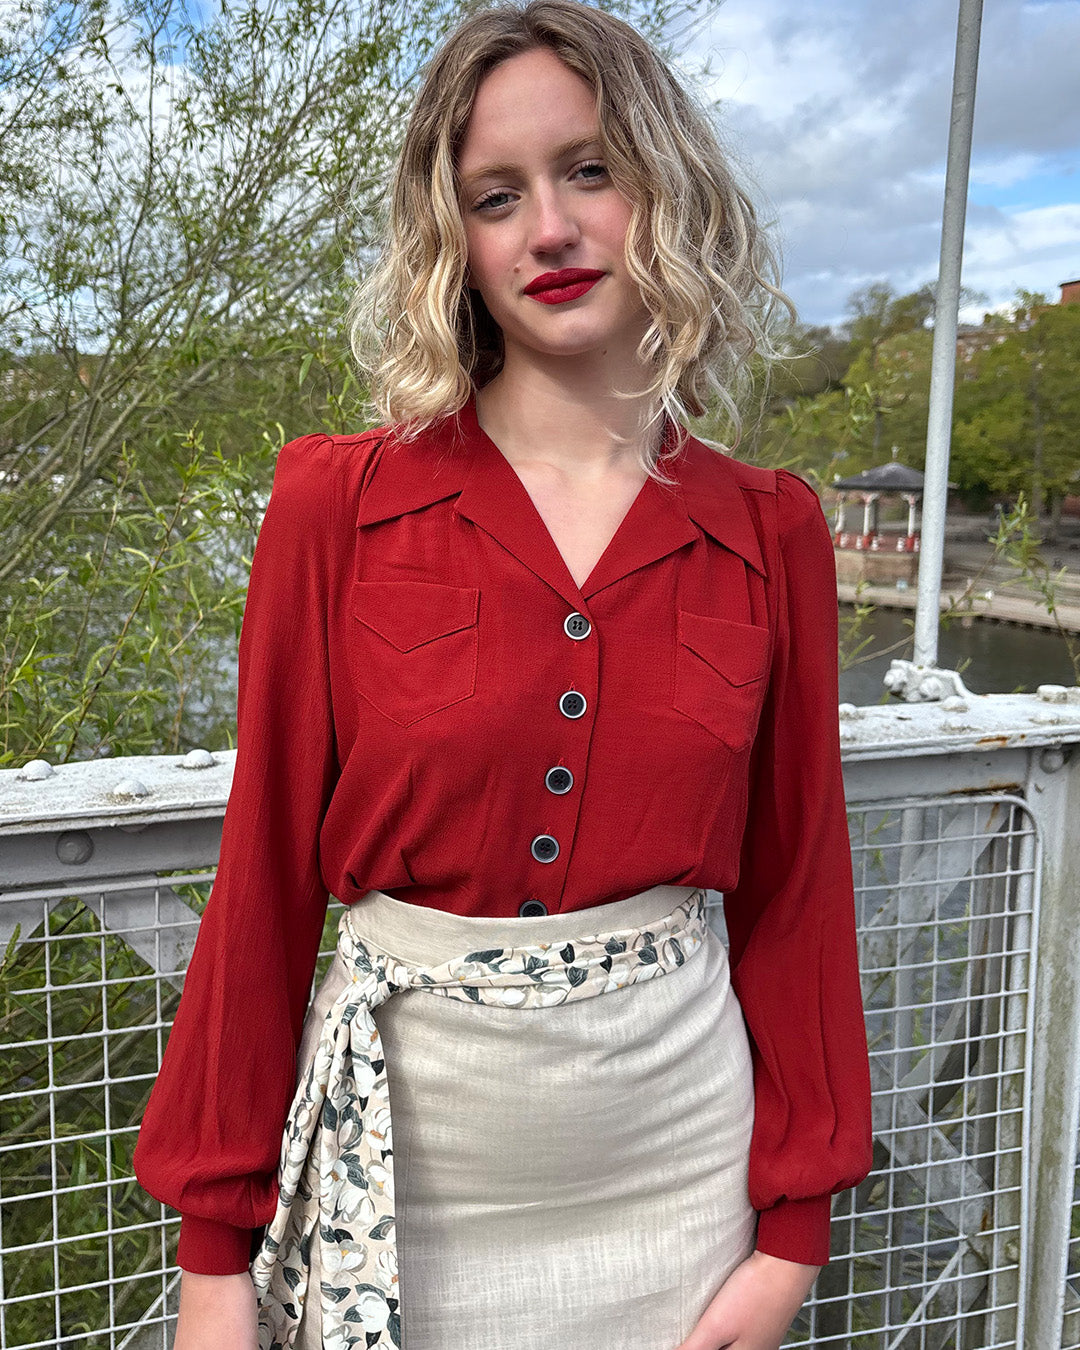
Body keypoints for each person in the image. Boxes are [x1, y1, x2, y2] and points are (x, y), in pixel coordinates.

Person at [133, 3, 874, 1347]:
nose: (549, 227)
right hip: (404, 1195)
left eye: (590, 169)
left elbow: (798, 883)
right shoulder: (336, 505)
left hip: (680, 1197)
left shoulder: (772, 530)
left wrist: (794, 1235)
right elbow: (260, 883)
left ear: (667, 185)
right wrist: (212, 1257)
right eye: (496, 195)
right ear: (453, 243)